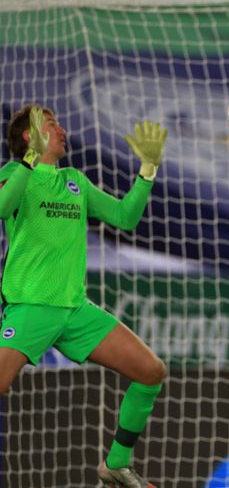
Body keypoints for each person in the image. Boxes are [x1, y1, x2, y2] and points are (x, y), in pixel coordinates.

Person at [0, 105, 169, 487]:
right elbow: (2, 206)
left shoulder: (75, 181)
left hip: (75, 309)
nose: (61, 129)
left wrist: (146, 171)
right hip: (31, 307)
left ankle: (116, 464)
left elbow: (125, 217)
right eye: (50, 124)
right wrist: (27, 162)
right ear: (30, 137)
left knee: (151, 371)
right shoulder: (13, 173)